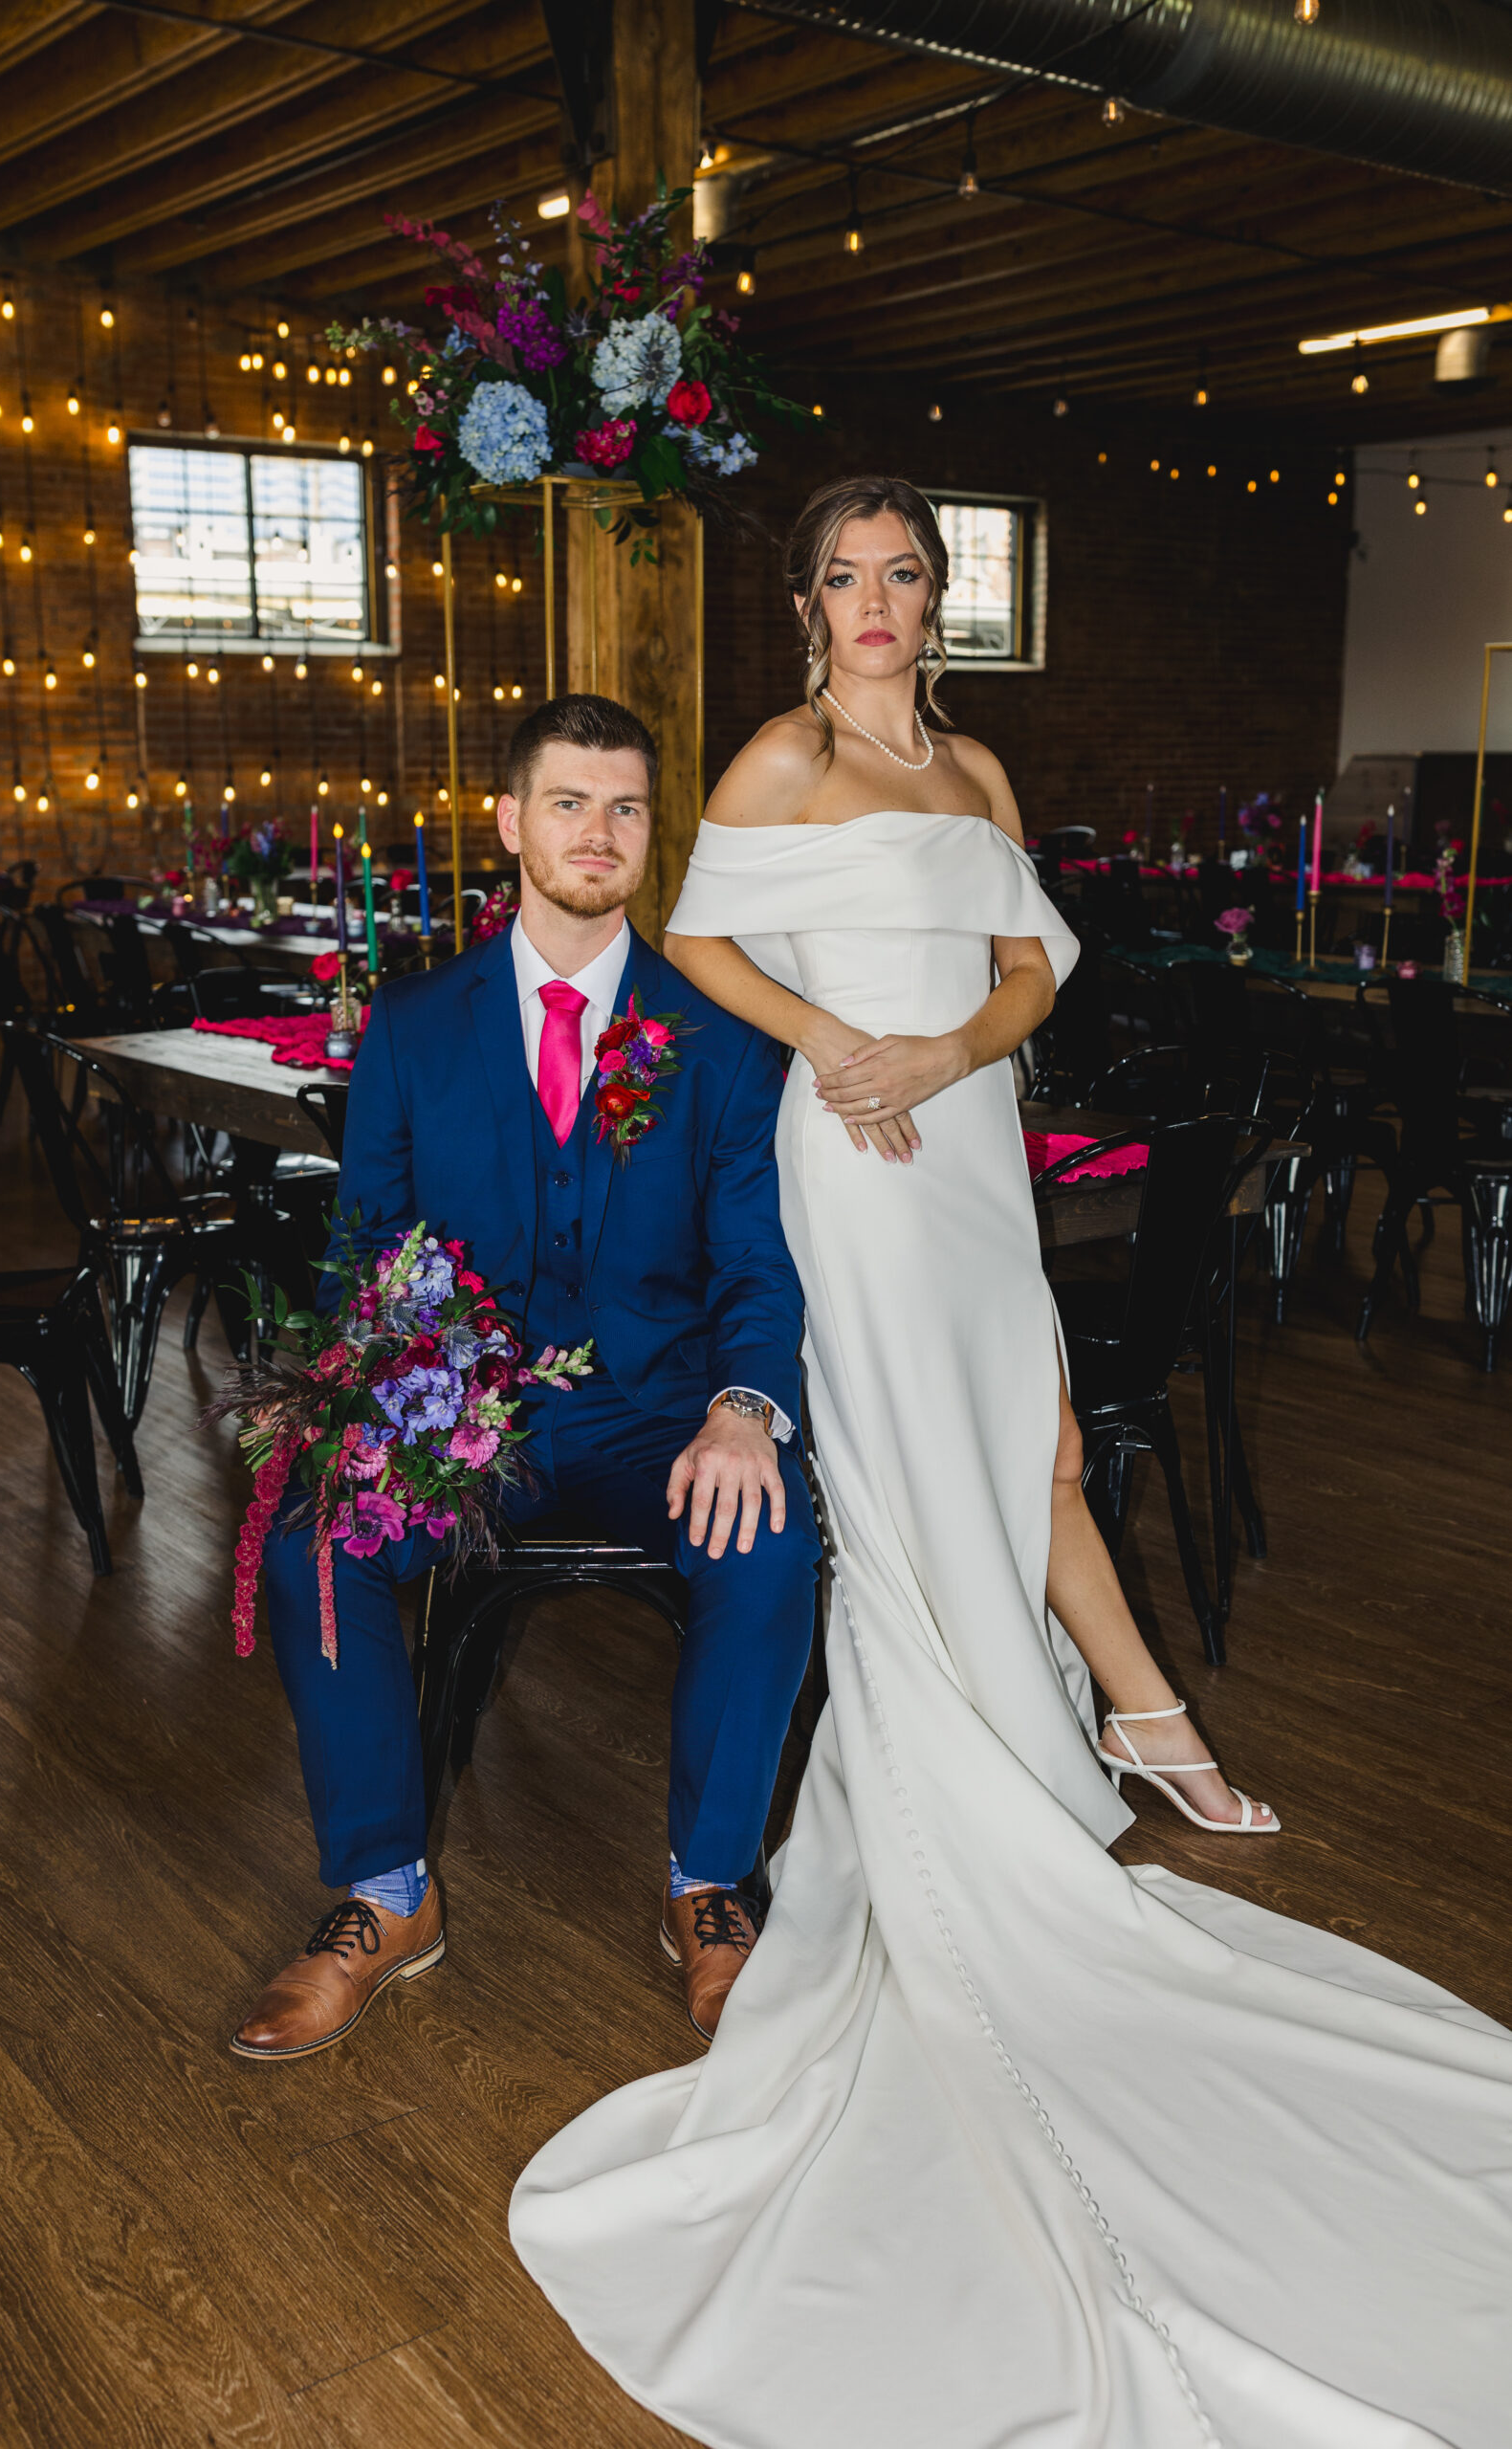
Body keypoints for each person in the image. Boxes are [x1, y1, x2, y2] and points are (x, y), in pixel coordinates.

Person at [508, 478, 1512, 2447]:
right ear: (803, 601)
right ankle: (1049, 1764)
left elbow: (1034, 965)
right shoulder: (774, 758)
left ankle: (1132, 1730)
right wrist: (833, 1047)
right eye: (844, 577)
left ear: (930, 598)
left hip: (964, 1142)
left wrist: (955, 1054)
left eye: (903, 574)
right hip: (854, 1158)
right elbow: (696, 943)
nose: (873, 601)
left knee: (1036, 1436)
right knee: (926, 1473)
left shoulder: (971, 759)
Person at [231, 692, 820, 2063]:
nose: (598, 832)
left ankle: (708, 1883)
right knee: (315, 1540)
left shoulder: (717, 1030)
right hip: (462, 1413)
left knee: (770, 1533)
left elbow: (754, 1259)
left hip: (652, 1412)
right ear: (510, 822)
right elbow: (367, 1248)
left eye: (624, 807)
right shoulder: (414, 1028)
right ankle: (386, 1893)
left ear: (650, 831)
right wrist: (356, 1404)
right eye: (569, 802)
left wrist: (745, 1407)